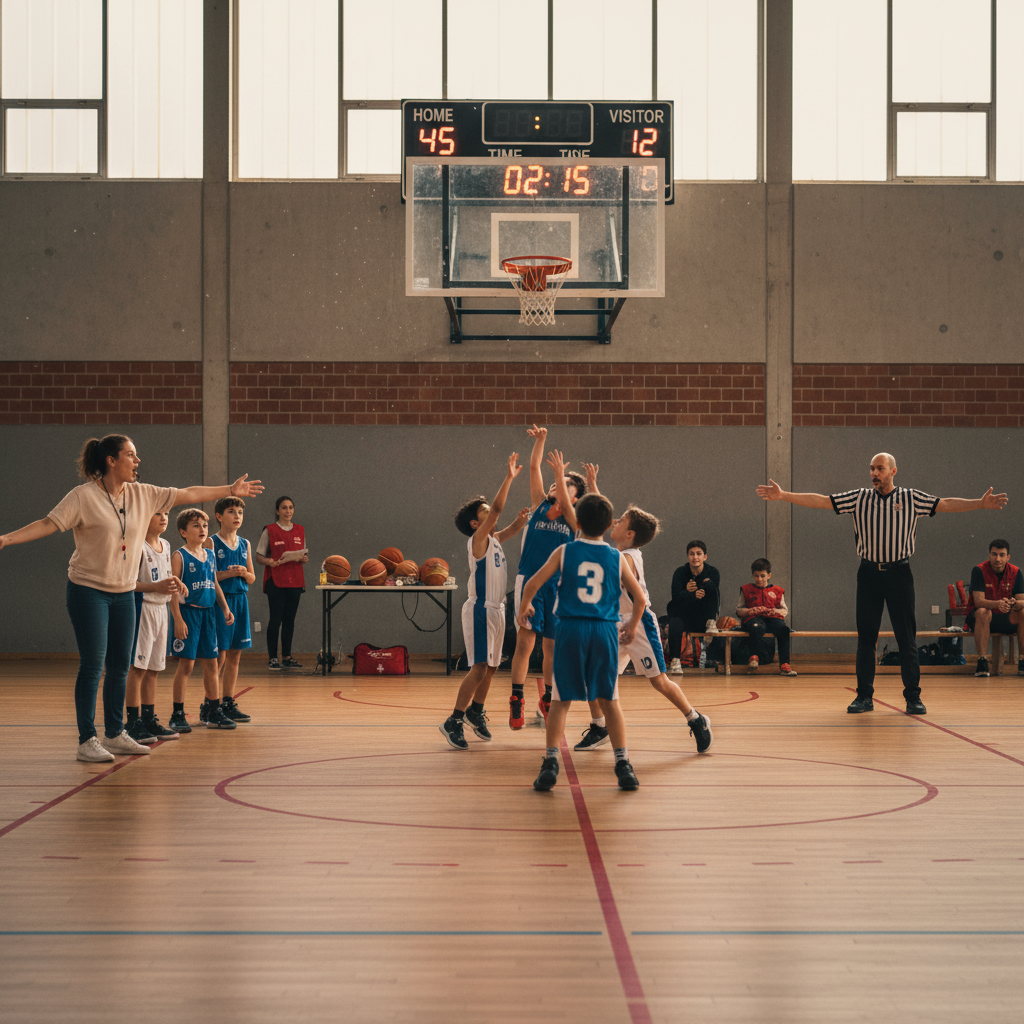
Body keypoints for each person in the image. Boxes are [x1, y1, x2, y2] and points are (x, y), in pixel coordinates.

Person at [0, 433, 263, 761]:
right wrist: (5, 539)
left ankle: (114, 733)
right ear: (111, 461)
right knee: (93, 665)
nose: (138, 461)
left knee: (119, 667)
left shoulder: (143, 494)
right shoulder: (83, 497)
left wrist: (229, 490)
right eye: (131, 455)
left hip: (123, 593)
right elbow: (48, 524)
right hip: (88, 590)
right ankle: (87, 739)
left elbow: (189, 493)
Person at [756, 453, 1007, 714]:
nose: (874, 473)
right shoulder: (859, 497)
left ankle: (913, 697)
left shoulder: (910, 498)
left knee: (906, 638)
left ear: (893, 471)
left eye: (880, 468)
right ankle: (864, 696)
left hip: (899, 574)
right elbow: (822, 501)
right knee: (866, 638)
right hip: (869, 575)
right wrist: (784, 495)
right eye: (871, 469)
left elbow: (944, 504)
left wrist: (979, 503)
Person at [519, 489, 647, 792]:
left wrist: (525, 605)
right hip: (604, 630)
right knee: (610, 701)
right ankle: (623, 765)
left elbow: (533, 583)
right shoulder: (617, 557)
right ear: (608, 525)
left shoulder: (565, 551)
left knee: (560, 700)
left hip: (571, 628)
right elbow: (640, 599)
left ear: (576, 522)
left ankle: (551, 762)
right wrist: (632, 626)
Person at [606, 489, 713, 753]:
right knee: (601, 677)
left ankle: (696, 718)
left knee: (659, 681)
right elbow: (599, 522)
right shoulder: (621, 551)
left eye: (621, 520)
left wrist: (632, 626)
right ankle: (600, 726)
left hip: (638, 622)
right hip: (616, 623)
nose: (615, 521)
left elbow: (639, 600)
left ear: (630, 534)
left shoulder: (627, 557)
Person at [439, 453, 529, 749]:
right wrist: (509, 478)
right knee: (479, 667)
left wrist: (521, 521)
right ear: (476, 523)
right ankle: (453, 720)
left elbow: (510, 529)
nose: (493, 513)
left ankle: (475, 711)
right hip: (479, 609)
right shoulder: (477, 541)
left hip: (497, 610)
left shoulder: (494, 540)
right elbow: (499, 508)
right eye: (486, 512)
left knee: (492, 667)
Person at [509, 425, 586, 729]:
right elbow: (533, 467)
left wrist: (561, 475)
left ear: (575, 498)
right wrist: (541, 440)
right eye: (556, 482)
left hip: (558, 586)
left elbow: (571, 503)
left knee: (552, 647)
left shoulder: (573, 519)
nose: (557, 485)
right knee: (525, 643)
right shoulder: (539, 503)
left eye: (566, 485)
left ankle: (549, 697)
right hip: (530, 582)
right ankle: (517, 698)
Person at [168, 509, 237, 731]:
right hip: (189, 613)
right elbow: (172, 591)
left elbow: (214, 583)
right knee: (186, 665)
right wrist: (178, 619)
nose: (202, 529)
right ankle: (177, 714)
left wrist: (225, 608)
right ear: (183, 532)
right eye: (196, 525)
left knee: (212, 663)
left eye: (205, 525)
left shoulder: (210, 555)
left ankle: (213, 710)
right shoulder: (179, 556)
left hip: (208, 613)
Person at [124, 509, 189, 745]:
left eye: (166, 513)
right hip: (143, 608)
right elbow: (128, 583)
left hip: (162, 610)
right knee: (138, 668)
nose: (164, 518)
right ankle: (132, 722)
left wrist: (176, 582)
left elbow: (165, 578)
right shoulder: (137, 545)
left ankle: (148, 719)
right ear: (144, 517)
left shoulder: (166, 544)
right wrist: (156, 587)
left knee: (154, 669)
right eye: (157, 513)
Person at [207, 496, 257, 721]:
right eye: (231, 511)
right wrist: (229, 573)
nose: (237, 516)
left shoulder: (245, 543)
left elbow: (252, 578)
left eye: (240, 512)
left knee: (235, 655)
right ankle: (210, 703)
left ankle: (228, 702)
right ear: (219, 516)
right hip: (220, 602)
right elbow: (209, 576)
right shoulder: (211, 542)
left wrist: (244, 573)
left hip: (240, 600)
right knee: (219, 656)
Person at [255, 496, 308, 670]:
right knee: (275, 619)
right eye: (284, 508)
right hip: (276, 580)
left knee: (289, 620)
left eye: (291, 507)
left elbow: (302, 553)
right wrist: (269, 561)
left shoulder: (300, 529)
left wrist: (303, 558)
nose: (288, 511)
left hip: (295, 580)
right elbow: (259, 557)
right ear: (277, 511)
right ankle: (272, 657)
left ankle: (287, 656)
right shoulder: (269, 530)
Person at [963, 539, 1024, 677]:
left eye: (1002, 555)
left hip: (1006, 618)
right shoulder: (979, 570)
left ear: (1008, 557)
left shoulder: (1016, 572)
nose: (998, 559)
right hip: (981, 619)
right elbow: (978, 601)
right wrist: (997, 604)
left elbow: (1022, 601)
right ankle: (982, 661)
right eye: (994, 554)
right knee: (983, 612)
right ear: (989, 555)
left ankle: (1022, 660)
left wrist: (1014, 603)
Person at [665, 541, 721, 674]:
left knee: (712, 587)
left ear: (705, 556)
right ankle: (675, 660)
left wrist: (704, 588)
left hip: (704, 617)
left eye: (698, 554)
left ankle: (711, 622)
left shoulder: (712, 572)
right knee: (674, 622)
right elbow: (675, 599)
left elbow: (714, 594)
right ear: (687, 556)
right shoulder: (680, 572)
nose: (695, 557)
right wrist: (689, 593)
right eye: (692, 554)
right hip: (686, 616)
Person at [736, 557, 797, 676]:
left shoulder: (778, 591)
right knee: (757, 627)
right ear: (753, 575)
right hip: (753, 619)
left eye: (762, 576)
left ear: (769, 575)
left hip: (772, 619)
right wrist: (750, 611)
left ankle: (784, 663)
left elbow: (784, 611)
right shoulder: (746, 589)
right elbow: (739, 610)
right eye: (756, 576)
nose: (759, 579)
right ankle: (754, 657)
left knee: (784, 629)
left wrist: (774, 611)